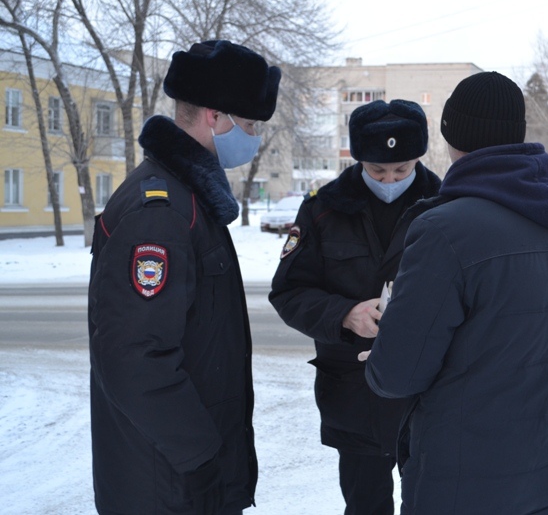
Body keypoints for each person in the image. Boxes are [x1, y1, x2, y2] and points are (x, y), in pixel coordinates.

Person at [363, 71, 548, 514]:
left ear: (451, 135)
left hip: (458, 481)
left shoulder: (445, 231)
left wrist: (384, 342)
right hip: (544, 473)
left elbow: (397, 374)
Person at [88, 40, 281, 515]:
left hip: (181, 473)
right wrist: (199, 460)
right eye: (250, 123)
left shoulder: (189, 198)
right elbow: (135, 357)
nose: (254, 136)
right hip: (165, 484)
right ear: (215, 117)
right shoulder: (161, 212)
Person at [269, 99, 441, 514]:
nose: (390, 179)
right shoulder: (323, 208)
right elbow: (288, 292)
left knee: (432, 502)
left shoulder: (445, 203)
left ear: (418, 157)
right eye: (378, 170)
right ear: (357, 157)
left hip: (428, 393)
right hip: (353, 390)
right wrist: (344, 315)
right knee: (366, 505)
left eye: (402, 169)